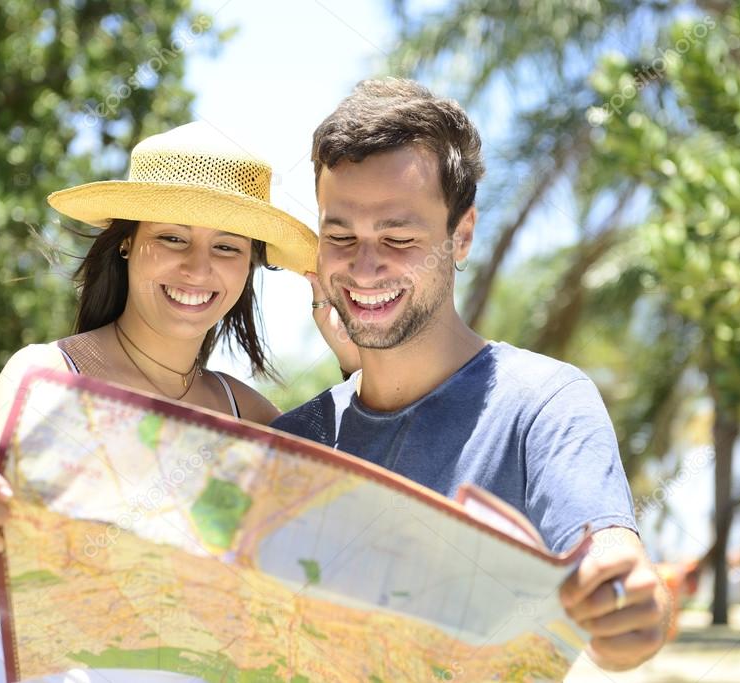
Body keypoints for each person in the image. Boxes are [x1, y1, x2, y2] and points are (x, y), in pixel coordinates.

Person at [273, 78, 672, 672]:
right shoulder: (292, 443)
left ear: (461, 236)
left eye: (398, 236)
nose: (364, 266)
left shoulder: (543, 405)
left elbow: (610, 556)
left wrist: (635, 604)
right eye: (340, 236)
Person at [0, 121, 337, 680]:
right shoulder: (44, 378)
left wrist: (351, 354)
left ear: (249, 266)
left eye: (227, 247)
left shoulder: (256, 420)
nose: (198, 268)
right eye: (172, 237)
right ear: (127, 240)